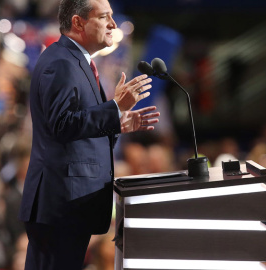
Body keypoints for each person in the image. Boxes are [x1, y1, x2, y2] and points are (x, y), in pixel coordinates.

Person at [18, 0, 160, 269]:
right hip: (60, 208)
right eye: (104, 17)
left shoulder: (76, 61)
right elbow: (61, 125)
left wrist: (118, 122)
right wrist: (116, 107)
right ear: (78, 22)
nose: (113, 25)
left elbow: (77, 130)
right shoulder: (61, 63)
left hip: (70, 208)